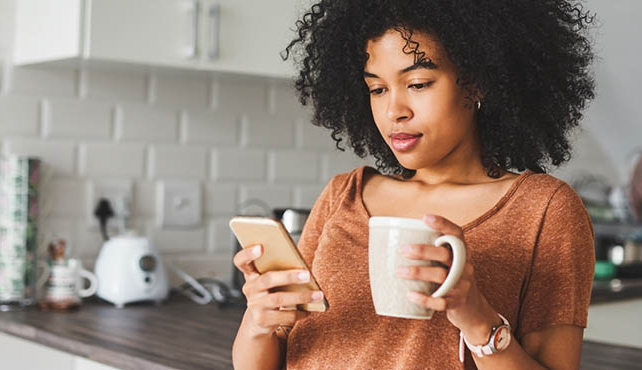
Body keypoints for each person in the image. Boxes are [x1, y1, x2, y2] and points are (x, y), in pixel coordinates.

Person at [232, 0, 596, 369]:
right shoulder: (342, 196)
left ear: (477, 83)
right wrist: (259, 322)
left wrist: (476, 318)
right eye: (377, 89)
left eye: (418, 84)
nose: (394, 111)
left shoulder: (545, 211)